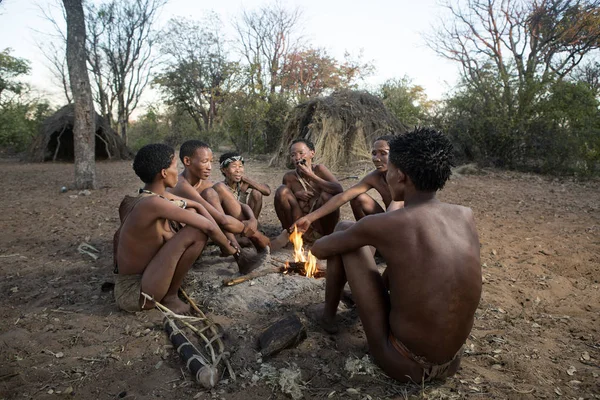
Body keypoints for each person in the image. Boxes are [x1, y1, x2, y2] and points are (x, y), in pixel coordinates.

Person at [308, 128, 482, 383]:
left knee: (345, 231)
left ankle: (328, 317)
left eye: (389, 168)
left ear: (400, 176)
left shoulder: (389, 223)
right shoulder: (465, 215)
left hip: (405, 363)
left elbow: (318, 249)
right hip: (452, 362)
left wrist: (346, 236)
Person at [113, 143, 238, 314]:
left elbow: (195, 206)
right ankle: (170, 296)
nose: (178, 173)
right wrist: (227, 246)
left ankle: (169, 291)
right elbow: (207, 226)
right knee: (196, 232)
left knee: (193, 218)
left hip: (144, 280)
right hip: (135, 294)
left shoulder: (151, 195)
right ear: (164, 173)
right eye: (174, 167)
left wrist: (201, 209)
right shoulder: (153, 203)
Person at [169, 140, 270, 273]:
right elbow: (221, 220)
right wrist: (254, 234)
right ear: (187, 161)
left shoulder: (206, 184)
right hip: (184, 241)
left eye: (211, 161)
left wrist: (252, 220)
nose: (210, 167)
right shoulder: (182, 186)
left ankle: (241, 247)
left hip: (210, 231)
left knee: (216, 189)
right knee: (211, 198)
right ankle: (239, 253)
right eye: (205, 161)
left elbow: (240, 205)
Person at [294, 135, 403, 233]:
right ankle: (369, 240)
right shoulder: (375, 177)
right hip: (388, 220)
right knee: (358, 198)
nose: (376, 158)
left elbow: (395, 208)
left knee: (345, 230)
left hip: (406, 226)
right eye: (374, 153)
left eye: (383, 153)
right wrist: (309, 218)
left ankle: (376, 242)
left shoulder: (405, 176)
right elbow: (343, 197)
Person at [274, 138, 343, 241]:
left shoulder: (320, 170)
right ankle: (290, 234)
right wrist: (295, 194)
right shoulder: (289, 177)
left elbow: (338, 190)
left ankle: (328, 237)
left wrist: (311, 175)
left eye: (301, 153)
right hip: (298, 224)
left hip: (321, 226)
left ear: (312, 153)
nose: (297, 158)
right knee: (282, 191)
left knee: (327, 196)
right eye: (293, 155)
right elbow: (283, 203)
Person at [213, 151, 271, 220]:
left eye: (240, 166)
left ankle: (254, 224)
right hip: (230, 219)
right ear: (223, 170)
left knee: (256, 193)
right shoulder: (221, 187)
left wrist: (247, 180)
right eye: (234, 166)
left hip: (246, 217)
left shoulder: (244, 183)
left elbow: (267, 191)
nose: (238, 170)